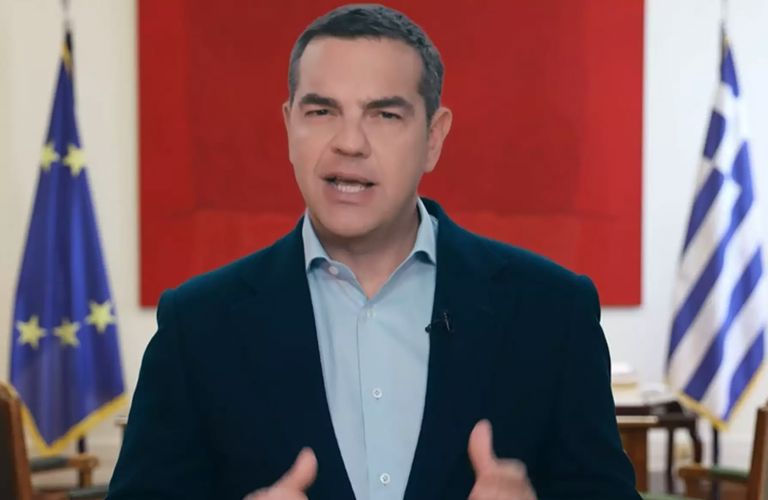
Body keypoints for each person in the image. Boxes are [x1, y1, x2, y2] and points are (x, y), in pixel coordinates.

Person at [107, 4, 641, 500]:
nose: (350, 142)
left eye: (384, 115)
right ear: (289, 127)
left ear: (433, 138)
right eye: (322, 111)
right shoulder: (196, 325)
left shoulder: (552, 311)